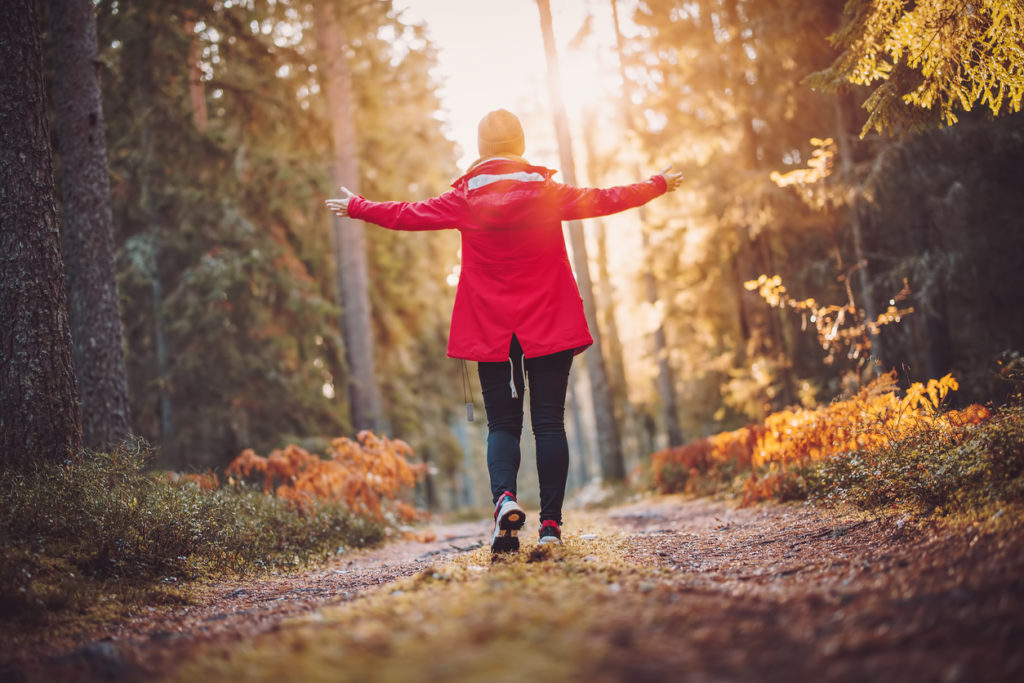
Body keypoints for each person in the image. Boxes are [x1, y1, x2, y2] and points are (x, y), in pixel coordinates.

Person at [326, 109, 682, 553]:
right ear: (520, 144)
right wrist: (657, 184)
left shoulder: (463, 200)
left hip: (492, 329)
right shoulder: (548, 193)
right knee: (549, 423)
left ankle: (505, 504)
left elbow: (406, 214)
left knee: (502, 425)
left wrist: (358, 206)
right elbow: (605, 198)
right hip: (548, 320)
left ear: (481, 149)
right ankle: (550, 526)